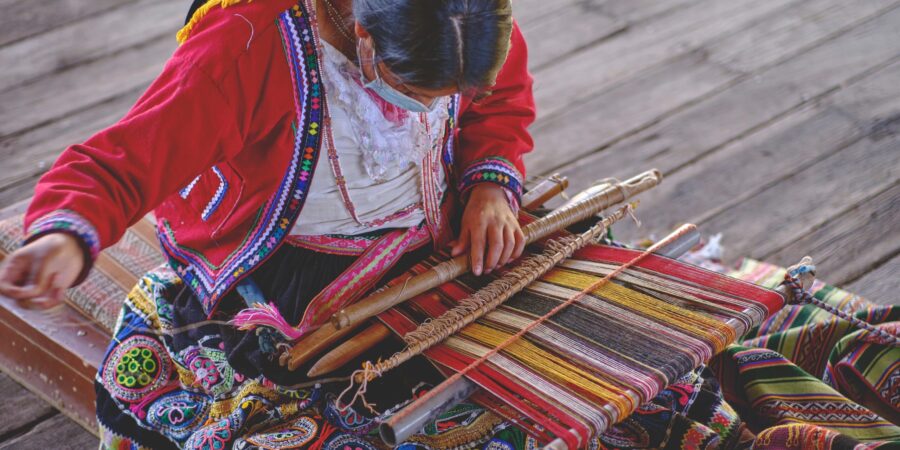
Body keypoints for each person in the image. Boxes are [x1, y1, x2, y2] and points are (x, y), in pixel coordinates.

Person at [0, 0, 535, 448]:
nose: (434, 110)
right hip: (292, 291)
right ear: (366, 37)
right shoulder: (250, 47)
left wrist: (489, 186)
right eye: (419, 93)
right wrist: (65, 236)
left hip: (445, 249)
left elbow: (500, 105)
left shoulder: (460, 20)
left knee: (550, 377)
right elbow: (124, 161)